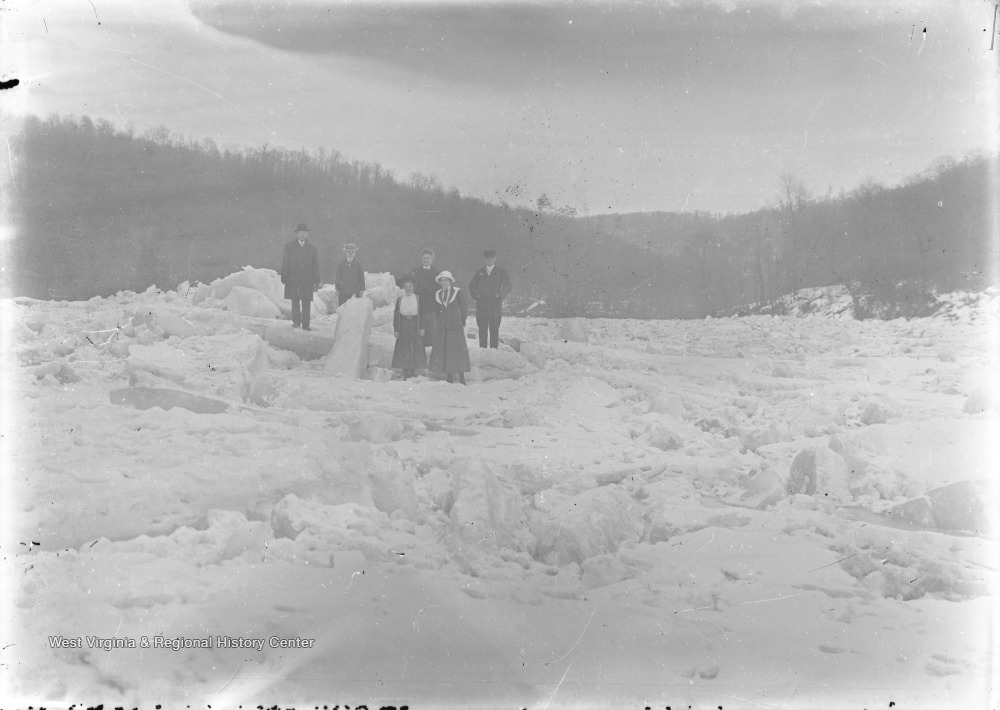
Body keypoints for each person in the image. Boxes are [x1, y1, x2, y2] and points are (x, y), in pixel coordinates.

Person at [428, 271, 470, 384]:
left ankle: (462, 377)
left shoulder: (457, 292)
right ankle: (449, 376)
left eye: (446, 280)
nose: (444, 282)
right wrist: (437, 322)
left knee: (458, 350)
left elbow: (464, 308)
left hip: (455, 324)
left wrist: (462, 321)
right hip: (443, 325)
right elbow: (435, 311)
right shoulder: (438, 294)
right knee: (445, 349)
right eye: (442, 281)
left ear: (450, 281)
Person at [468, 248, 512, 349]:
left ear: (495, 259)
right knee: (482, 329)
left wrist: (500, 295)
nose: (489, 260)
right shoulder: (479, 272)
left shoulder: (501, 271)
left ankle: (494, 351)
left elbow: (508, 285)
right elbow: (471, 286)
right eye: (487, 258)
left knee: (494, 329)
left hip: (495, 306)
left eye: (491, 258)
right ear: (484, 259)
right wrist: (476, 296)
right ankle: (483, 351)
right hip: (482, 306)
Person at [280, 223, 320, 330]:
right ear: (296, 234)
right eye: (300, 233)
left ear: (308, 235)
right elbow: (285, 263)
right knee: (295, 301)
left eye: (305, 233)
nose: (302, 235)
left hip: (307, 280)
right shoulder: (289, 247)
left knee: (306, 303)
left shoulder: (312, 249)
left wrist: (317, 279)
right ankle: (296, 323)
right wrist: (284, 276)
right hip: (293, 279)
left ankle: (306, 325)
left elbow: (315, 265)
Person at [391, 275, 427, 380]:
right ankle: (405, 372)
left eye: (410, 286)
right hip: (404, 324)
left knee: (414, 347)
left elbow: (422, 314)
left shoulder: (418, 299)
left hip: (415, 324)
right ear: (403, 288)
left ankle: (412, 371)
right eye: (406, 287)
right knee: (404, 348)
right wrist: (396, 329)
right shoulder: (400, 299)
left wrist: (422, 328)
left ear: (413, 288)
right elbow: (396, 315)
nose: (408, 289)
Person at [413, 248, 441, 348]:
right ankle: (420, 347)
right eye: (424, 258)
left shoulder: (437, 273)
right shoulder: (415, 271)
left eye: (428, 258)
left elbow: (439, 287)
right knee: (420, 324)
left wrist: (431, 290)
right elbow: (413, 285)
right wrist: (421, 290)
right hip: (419, 302)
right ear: (421, 259)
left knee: (432, 325)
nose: (425, 260)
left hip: (432, 303)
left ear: (432, 259)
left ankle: (431, 346)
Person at [335, 243, 365, 307]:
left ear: (355, 253)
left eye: (352, 252)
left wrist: (362, 289)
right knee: (343, 309)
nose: (350, 254)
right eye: (349, 252)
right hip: (343, 291)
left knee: (354, 310)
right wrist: (337, 288)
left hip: (355, 291)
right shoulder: (341, 264)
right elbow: (338, 277)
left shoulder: (358, 264)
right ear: (345, 252)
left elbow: (361, 277)